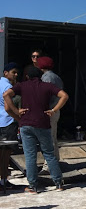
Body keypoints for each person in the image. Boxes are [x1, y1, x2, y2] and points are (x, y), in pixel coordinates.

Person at [3, 65, 68, 193]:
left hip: (26, 124)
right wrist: (54, 110)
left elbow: (6, 95)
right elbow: (64, 96)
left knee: (30, 155)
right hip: (43, 124)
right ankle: (58, 183)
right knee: (49, 154)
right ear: (40, 76)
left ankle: (33, 185)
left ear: (27, 76)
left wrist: (16, 111)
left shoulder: (22, 85)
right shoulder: (47, 86)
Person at [36, 56, 64, 162]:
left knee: (48, 139)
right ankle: (55, 160)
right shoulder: (56, 77)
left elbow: (45, 95)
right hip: (55, 110)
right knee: (52, 137)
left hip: (49, 110)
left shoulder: (46, 78)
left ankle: (49, 164)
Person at [0, 63, 21, 192]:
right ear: (5, 73)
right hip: (7, 122)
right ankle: (4, 181)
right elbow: (8, 106)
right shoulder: (8, 87)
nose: (16, 74)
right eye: (13, 72)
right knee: (6, 154)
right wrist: (18, 115)